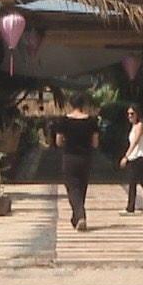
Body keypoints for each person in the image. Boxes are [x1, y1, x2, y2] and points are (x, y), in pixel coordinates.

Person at [50, 94, 100, 230]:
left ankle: (80, 215)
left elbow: (58, 141)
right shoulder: (92, 121)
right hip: (86, 158)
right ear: (83, 104)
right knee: (82, 186)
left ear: (71, 104)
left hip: (70, 157)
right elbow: (95, 143)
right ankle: (76, 217)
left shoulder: (63, 121)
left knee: (72, 187)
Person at [120, 106, 143, 212]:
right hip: (133, 157)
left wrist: (125, 157)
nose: (130, 116)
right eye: (128, 114)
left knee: (140, 182)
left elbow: (135, 142)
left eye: (132, 113)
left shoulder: (140, 125)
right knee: (138, 182)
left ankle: (132, 207)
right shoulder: (133, 126)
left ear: (137, 114)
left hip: (140, 157)